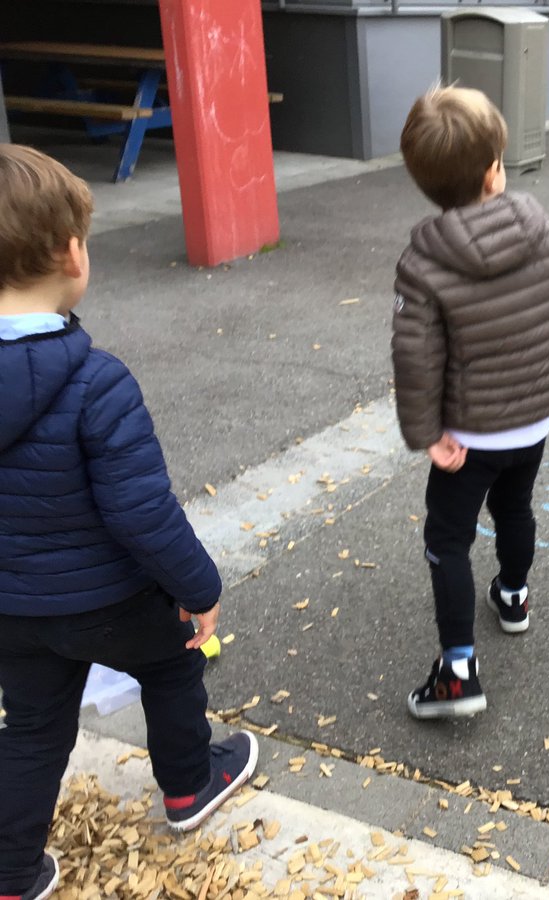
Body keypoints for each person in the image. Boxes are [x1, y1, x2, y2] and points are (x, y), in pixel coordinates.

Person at [0, 144, 257, 900]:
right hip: (109, 601)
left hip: (12, 610)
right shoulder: (96, 382)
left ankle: (11, 874)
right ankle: (188, 785)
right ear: (71, 253)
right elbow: (141, 512)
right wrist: (199, 586)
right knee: (174, 662)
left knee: (32, 727)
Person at [392, 86, 549, 719]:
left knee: (448, 537)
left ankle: (458, 670)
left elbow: (415, 358)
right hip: (533, 419)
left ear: (425, 183)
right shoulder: (540, 227)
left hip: (466, 438)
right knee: (515, 506)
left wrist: (425, 432)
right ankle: (513, 594)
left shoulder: (422, 261)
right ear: (496, 168)